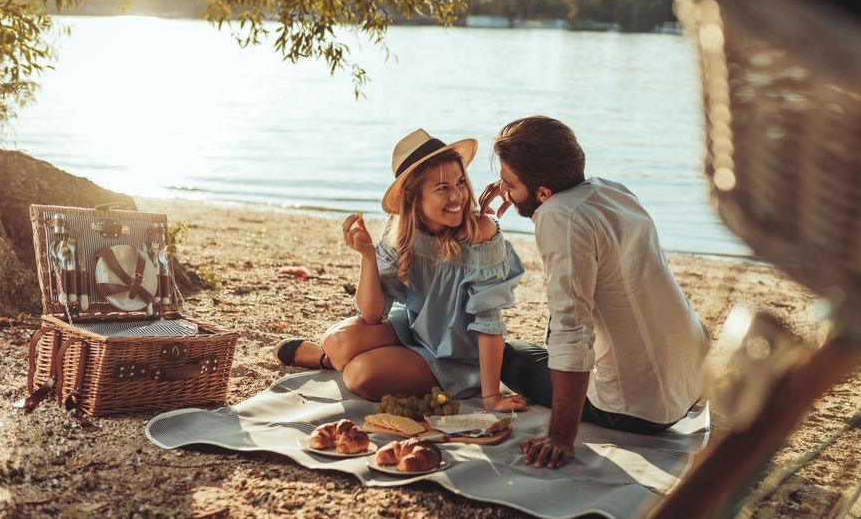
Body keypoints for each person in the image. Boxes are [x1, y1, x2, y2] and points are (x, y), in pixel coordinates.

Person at [478, 116, 710, 469]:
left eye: (509, 184)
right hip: (692, 378)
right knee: (537, 345)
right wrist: (517, 188)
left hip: (637, 409)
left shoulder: (560, 217)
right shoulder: (610, 190)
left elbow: (573, 331)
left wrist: (560, 436)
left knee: (505, 357)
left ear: (543, 192)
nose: (504, 191)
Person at [275, 129, 526, 412]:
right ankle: (328, 358)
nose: (457, 196)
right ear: (412, 196)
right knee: (336, 341)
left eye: (460, 183)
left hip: (458, 356)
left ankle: (337, 361)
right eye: (442, 188)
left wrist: (491, 397)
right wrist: (367, 257)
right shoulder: (400, 230)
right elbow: (371, 314)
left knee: (360, 375)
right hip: (415, 328)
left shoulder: (482, 234)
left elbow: (489, 322)